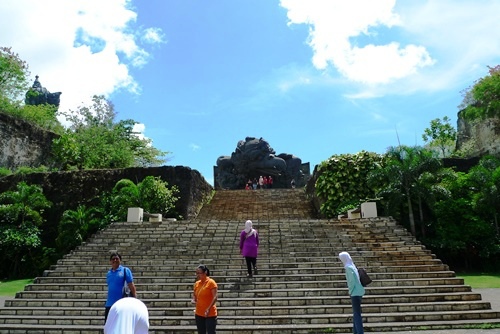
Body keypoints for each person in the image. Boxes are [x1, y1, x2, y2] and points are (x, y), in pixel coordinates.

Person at [105, 252, 137, 322]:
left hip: (121, 304)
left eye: (117, 259)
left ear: (120, 260)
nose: (115, 260)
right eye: (113, 259)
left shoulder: (125, 270)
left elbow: (131, 285)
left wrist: (135, 298)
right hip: (109, 304)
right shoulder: (108, 273)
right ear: (110, 261)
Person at [339, 251, 365, 334]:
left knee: (356, 314)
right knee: (356, 312)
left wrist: (350, 291)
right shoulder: (352, 266)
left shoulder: (348, 268)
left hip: (355, 292)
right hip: (359, 291)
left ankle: (360, 332)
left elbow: (351, 281)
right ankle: (356, 331)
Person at [192, 265, 218, 334]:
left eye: (199, 273)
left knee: (211, 332)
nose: (197, 275)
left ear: (205, 272)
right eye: (196, 273)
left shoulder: (211, 283)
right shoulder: (197, 284)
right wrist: (194, 299)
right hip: (199, 312)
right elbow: (194, 294)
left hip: (210, 313)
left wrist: (208, 308)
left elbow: (215, 297)